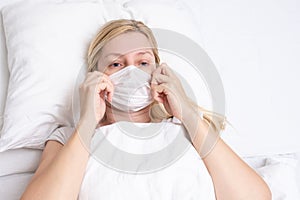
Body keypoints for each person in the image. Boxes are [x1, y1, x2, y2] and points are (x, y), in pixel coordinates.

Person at [21, 19, 271, 200]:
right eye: (116, 63)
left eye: (143, 62)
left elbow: (254, 197)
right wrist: (88, 122)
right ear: (95, 77)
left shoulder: (189, 129)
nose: (131, 71)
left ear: (158, 72)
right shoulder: (68, 138)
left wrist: (185, 110)